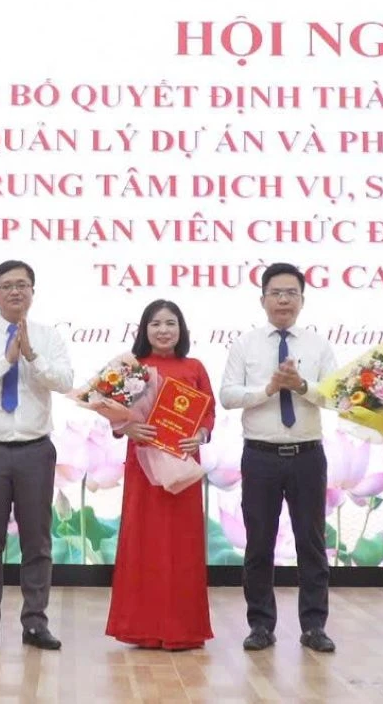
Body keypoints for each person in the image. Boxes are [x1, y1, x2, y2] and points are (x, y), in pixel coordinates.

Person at [220, 263, 339, 653]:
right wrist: (269, 389)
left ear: (302, 300)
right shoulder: (245, 345)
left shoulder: (318, 345)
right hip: (261, 456)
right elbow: (228, 395)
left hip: (307, 455)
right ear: (263, 300)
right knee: (259, 544)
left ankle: (314, 626)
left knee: (312, 543)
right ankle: (260, 625)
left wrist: (301, 385)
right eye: (276, 293)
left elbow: (336, 397)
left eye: (291, 293)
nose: (283, 300)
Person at [0, 260, 74, 652]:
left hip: (34, 450)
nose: (15, 291)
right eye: (6, 285)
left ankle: (35, 623)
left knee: (37, 541)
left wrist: (32, 356)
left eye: (23, 284)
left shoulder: (49, 337)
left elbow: (65, 382)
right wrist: (6, 360)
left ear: (33, 292)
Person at [105, 299, 215, 650]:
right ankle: (141, 627)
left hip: (182, 464)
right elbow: (112, 412)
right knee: (143, 543)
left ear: (181, 330)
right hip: (144, 466)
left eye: (170, 323)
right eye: (155, 324)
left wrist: (201, 434)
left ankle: (184, 629)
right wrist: (126, 427)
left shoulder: (194, 367)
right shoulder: (131, 367)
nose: (163, 330)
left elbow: (208, 412)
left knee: (183, 545)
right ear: (144, 329)